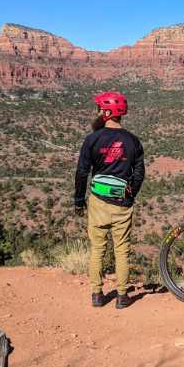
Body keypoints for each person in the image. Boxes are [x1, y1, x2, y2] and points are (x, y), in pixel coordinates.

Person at [74, 91, 145, 309]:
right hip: (122, 203)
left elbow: (82, 172)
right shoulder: (132, 141)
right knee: (122, 249)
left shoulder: (92, 139)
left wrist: (79, 200)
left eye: (98, 109)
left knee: (98, 248)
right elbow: (139, 173)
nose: (96, 112)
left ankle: (97, 294)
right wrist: (130, 193)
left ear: (106, 112)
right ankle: (122, 297)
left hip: (98, 201)